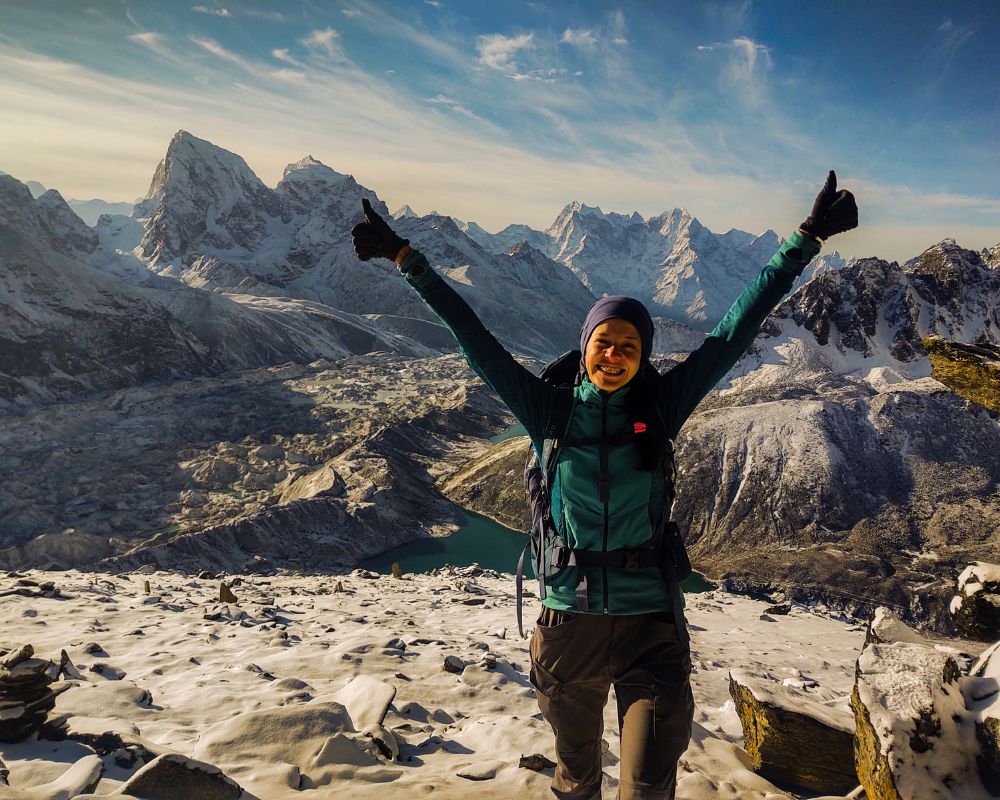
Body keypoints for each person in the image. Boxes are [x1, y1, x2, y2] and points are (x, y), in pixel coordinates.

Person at [351, 173, 858, 800]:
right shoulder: (549, 411)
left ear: (643, 356)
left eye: (629, 346)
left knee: (647, 785)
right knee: (578, 779)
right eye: (604, 343)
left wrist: (802, 243)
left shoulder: (662, 407)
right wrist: (408, 260)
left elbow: (731, 333)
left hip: (651, 622)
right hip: (570, 626)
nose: (614, 355)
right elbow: (474, 338)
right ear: (585, 347)